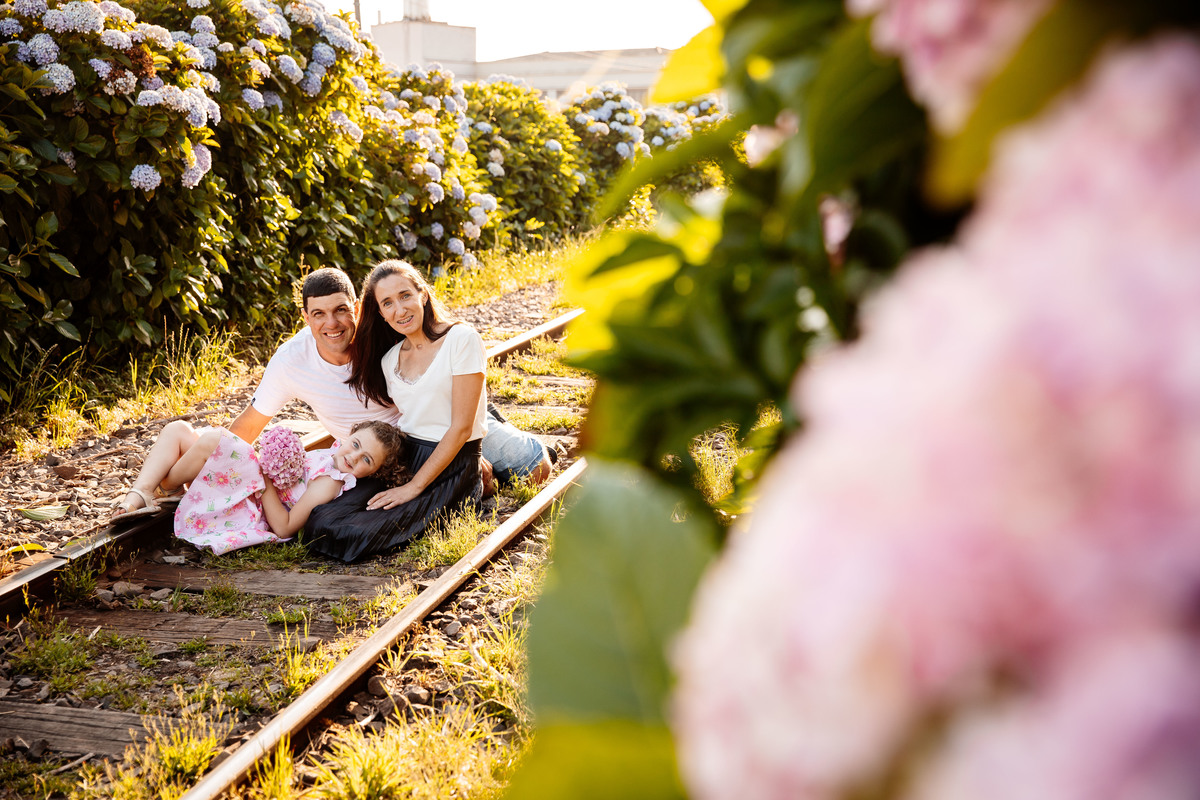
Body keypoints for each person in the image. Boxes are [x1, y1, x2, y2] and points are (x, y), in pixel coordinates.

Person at [111, 267, 551, 517]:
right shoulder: (292, 358)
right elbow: (251, 423)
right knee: (204, 438)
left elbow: (432, 375)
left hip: (438, 427)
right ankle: (154, 490)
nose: (333, 324)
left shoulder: (380, 338)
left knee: (529, 466)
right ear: (305, 317)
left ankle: (491, 421)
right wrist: (217, 458)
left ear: (357, 310)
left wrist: (464, 449)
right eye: (319, 314)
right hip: (394, 447)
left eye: (342, 311)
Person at [304, 260, 488, 562]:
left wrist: (414, 487)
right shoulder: (389, 360)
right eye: (387, 303)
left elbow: (461, 429)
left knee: (358, 533)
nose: (399, 310)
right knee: (323, 519)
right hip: (403, 460)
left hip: (453, 464)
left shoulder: (461, 339)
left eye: (405, 296)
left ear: (423, 295)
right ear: (380, 313)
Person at [126, 419, 409, 555]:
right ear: (350, 434)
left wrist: (265, 481)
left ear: (373, 471)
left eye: (366, 460)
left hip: (253, 502)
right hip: (253, 484)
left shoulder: (329, 482)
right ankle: (143, 490)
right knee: (180, 430)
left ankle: (165, 488)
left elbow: (285, 527)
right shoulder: (329, 455)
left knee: (215, 440)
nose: (353, 456)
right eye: (356, 445)